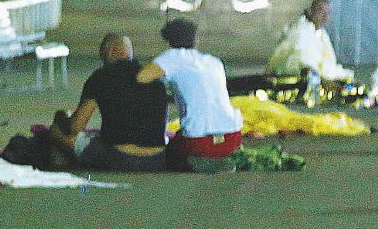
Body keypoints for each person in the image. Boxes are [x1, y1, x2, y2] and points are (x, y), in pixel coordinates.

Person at [47, 33, 168, 172]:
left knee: (56, 131)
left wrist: (62, 118)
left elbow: (76, 127)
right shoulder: (156, 79)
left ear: (111, 51)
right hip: (156, 160)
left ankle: (61, 163)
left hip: (117, 158)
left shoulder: (100, 77)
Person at [137, 18, 242, 172]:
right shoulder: (214, 62)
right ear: (195, 39)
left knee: (166, 152)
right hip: (232, 138)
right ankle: (216, 158)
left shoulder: (173, 57)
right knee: (181, 136)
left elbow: (142, 78)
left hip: (200, 142)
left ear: (170, 41)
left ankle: (196, 162)